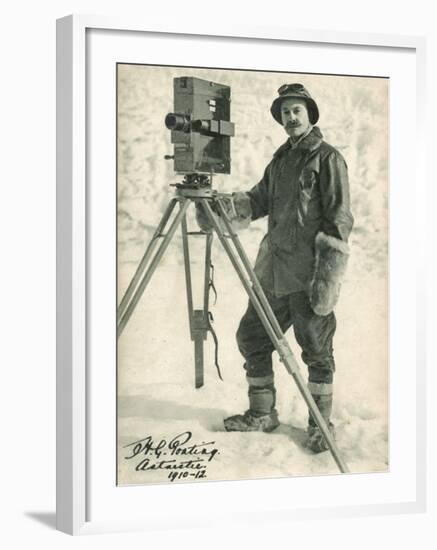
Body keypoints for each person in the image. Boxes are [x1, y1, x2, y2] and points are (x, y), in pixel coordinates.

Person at [197, 83, 354, 453]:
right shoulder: (280, 160)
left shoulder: (328, 159)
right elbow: (258, 200)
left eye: (296, 110)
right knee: (252, 337)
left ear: (310, 114)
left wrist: (326, 279)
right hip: (273, 273)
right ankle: (262, 414)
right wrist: (222, 207)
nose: (290, 117)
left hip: (308, 277)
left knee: (315, 349)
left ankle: (319, 424)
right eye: (285, 112)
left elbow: (339, 219)